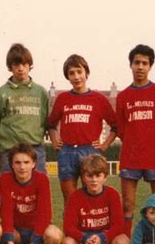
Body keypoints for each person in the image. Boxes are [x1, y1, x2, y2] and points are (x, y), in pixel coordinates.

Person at [115, 44, 155, 238]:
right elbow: (122, 130)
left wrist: (153, 144)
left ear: (150, 66)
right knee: (127, 204)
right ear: (130, 65)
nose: (140, 67)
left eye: (144, 63)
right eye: (136, 62)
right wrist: (136, 143)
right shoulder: (123, 96)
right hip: (131, 157)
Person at [48, 54, 118, 206]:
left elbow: (115, 125)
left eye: (79, 72)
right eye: (71, 73)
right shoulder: (62, 98)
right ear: (67, 76)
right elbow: (51, 124)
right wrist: (54, 141)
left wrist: (105, 144)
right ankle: (72, 230)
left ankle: (93, 228)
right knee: (70, 199)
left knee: (92, 196)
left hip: (90, 151)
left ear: (86, 73)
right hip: (67, 151)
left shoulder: (98, 99)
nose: (76, 76)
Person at [0, 143, 63, 244]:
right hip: (16, 231)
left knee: (55, 236)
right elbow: (6, 214)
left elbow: (45, 215)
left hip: (36, 230)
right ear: (11, 164)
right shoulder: (5, 179)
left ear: (33, 163)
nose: (22, 167)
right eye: (17, 162)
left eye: (26, 162)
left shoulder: (41, 179)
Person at [0, 43, 49, 174]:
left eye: (24, 64)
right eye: (16, 65)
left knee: (39, 189)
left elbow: (44, 122)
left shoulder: (41, 92)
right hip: (8, 151)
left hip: (35, 149)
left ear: (30, 65)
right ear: (10, 67)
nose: (21, 68)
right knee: (8, 191)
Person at [61, 154, 129, 244]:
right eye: (90, 176)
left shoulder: (113, 194)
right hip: (84, 237)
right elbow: (68, 226)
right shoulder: (75, 196)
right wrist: (83, 238)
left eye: (98, 175)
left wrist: (101, 238)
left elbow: (119, 225)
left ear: (105, 177)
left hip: (105, 237)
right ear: (83, 177)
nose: (94, 180)